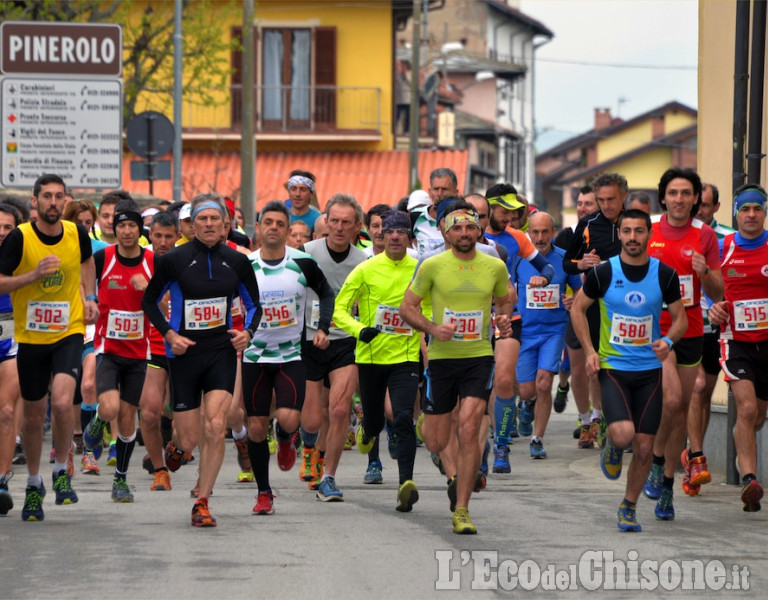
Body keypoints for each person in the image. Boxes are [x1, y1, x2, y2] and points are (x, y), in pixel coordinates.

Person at [142, 194, 262, 527]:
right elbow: (149, 301)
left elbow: (254, 306)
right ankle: (177, 449)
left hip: (220, 351)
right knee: (189, 438)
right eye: (202, 219)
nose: (209, 224)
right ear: (192, 225)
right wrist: (169, 334)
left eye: (215, 219)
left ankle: (203, 501)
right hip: (184, 354)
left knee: (215, 425)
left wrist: (248, 332)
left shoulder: (237, 262)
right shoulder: (175, 260)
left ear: (225, 224)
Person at [571, 209, 686, 532]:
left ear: (649, 234)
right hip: (614, 369)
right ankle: (612, 442)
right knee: (623, 434)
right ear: (619, 234)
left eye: (639, 231)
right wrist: (591, 351)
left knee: (646, 446)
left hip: (650, 370)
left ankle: (629, 505)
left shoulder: (664, 274)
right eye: (627, 231)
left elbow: (681, 320)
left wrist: (668, 341)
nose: (633, 237)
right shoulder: (604, 273)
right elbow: (578, 310)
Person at [400, 204, 512, 535]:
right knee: (435, 440)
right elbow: (407, 307)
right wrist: (433, 329)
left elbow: (506, 299)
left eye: (470, 227)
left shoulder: (494, 265)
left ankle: (461, 509)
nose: (464, 233)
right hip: (442, 360)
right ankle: (429, 426)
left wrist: (503, 318)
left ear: (478, 231)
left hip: (479, 357)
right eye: (457, 229)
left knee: (468, 427)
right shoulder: (432, 265)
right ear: (446, 234)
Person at [0, 174, 99, 521]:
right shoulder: (19, 238)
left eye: (59, 197)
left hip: (68, 331)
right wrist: (30, 276)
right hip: (29, 337)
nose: (54, 203)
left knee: (61, 401)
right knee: (31, 415)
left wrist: (90, 296)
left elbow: (87, 261)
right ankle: (32, 483)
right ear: (35, 202)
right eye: (47, 197)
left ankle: (59, 470)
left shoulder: (76, 233)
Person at [241, 201, 333, 515]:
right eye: (268, 222)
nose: (274, 228)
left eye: (280, 223)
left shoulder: (303, 262)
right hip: (254, 356)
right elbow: (228, 300)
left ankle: (284, 436)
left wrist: (322, 327)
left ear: (287, 228)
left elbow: (327, 293)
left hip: (292, 354)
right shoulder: (245, 265)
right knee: (255, 427)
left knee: (290, 418)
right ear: (258, 228)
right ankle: (264, 492)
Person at [642, 168, 723, 520]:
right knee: (671, 400)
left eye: (686, 193)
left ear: (695, 200)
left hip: (691, 331)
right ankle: (657, 462)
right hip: (654, 331)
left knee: (680, 410)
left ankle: (667, 483)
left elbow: (718, 292)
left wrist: (705, 272)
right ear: (663, 198)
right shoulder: (649, 232)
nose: (679, 199)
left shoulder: (705, 236)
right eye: (673, 193)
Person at [334, 210, 423, 512]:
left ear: (409, 237)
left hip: (406, 357)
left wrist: (430, 327)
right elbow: (339, 310)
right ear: (381, 236)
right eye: (390, 231)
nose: (395, 236)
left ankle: (405, 485)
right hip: (371, 358)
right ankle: (367, 429)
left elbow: (436, 306)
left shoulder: (421, 268)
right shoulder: (365, 269)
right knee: (374, 422)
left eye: (401, 231)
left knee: (401, 417)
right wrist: (360, 330)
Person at [83, 200, 154, 503]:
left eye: (132, 226)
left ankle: (120, 479)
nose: (126, 231)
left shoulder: (153, 262)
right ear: (115, 228)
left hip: (139, 352)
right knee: (110, 408)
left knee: (127, 420)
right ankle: (99, 422)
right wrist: (89, 300)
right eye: (121, 225)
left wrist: (147, 289)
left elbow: (165, 305)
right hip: (108, 349)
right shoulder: (103, 258)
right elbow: (84, 277)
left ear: (139, 230)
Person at [299, 194, 368, 500]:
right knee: (312, 419)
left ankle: (329, 476)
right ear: (325, 221)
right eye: (334, 221)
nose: (339, 228)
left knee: (339, 409)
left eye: (346, 222)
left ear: (358, 226)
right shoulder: (305, 252)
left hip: (346, 342)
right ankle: (308, 443)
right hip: (309, 340)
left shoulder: (364, 261)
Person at [708, 184, 768, 512]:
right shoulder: (723, 247)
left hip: (767, 343)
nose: (751, 215)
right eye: (745, 209)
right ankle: (749, 480)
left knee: (758, 414)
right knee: (746, 409)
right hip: (736, 341)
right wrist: (713, 307)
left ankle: (743, 448)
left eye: (757, 208)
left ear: (764, 212)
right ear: (735, 212)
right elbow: (707, 285)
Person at [564, 173, 629, 448]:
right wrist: (582, 264)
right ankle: (596, 420)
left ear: (623, 195)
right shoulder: (588, 224)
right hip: (595, 302)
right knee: (594, 366)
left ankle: (619, 424)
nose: (605, 205)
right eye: (600, 200)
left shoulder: (636, 222)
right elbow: (567, 261)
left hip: (628, 304)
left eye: (610, 199)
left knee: (623, 366)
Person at [513, 212, 583, 459]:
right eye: (535, 232)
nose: (540, 238)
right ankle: (526, 403)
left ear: (553, 232)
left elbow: (580, 292)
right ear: (528, 233)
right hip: (525, 332)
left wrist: (573, 300)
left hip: (554, 330)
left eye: (545, 232)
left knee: (544, 384)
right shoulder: (519, 260)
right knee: (525, 389)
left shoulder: (564, 260)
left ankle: (537, 438)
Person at [687, 182, 735, 495]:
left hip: (721, 325)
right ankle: (696, 458)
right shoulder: (682, 235)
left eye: (705, 205)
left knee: (706, 394)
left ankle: (693, 453)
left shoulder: (729, 238)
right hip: (692, 324)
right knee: (699, 387)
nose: (700, 211)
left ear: (715, 207)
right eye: (697, 205)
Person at [136, 210, 180, 491]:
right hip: (151, 346)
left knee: (182, 423)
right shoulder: (138, 263)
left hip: (183, 348)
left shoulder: (187, 261)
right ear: (149, 234)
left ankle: (179, 448)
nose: (163, 242)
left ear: (178, 236)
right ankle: (160, 470)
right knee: (149, 413)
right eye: (158, 236)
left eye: (169, 236)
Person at [553, 185, 598, 421]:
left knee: (598, 370)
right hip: (574, 310)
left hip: (602, 310)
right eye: (579, 203)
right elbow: (560, 272)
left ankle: (599, 417)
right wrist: (566, 296)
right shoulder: (567, 235)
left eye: (588, 204)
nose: (582, 208)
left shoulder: (610, 234)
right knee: (577, 369)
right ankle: (585, 421)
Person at [0, 204, 22, 515]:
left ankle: (2, 480)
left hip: (12, 336)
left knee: (6, 411)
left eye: (8, 227)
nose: (2, 232)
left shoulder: (23, 256)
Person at [411, 168, 459, 256]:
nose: (439, 193)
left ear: (455, 192)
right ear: (429, 192)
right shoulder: (415, 216)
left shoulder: (463, 217)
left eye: (444, 189)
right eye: (436, 189)